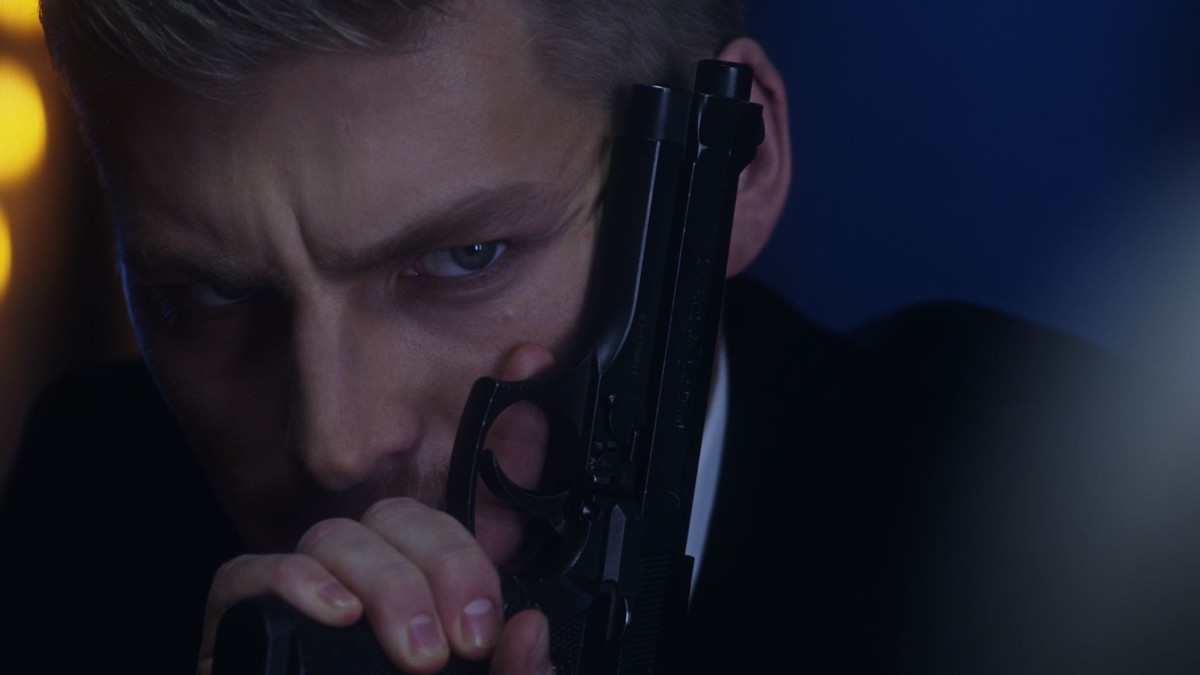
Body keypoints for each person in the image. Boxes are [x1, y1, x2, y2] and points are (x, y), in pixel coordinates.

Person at [0, 1, 882, 674]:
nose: (336, 447)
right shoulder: (88, 507)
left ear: (737, 173)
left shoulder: (959, 545)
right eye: (211, 292)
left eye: (468, 257)